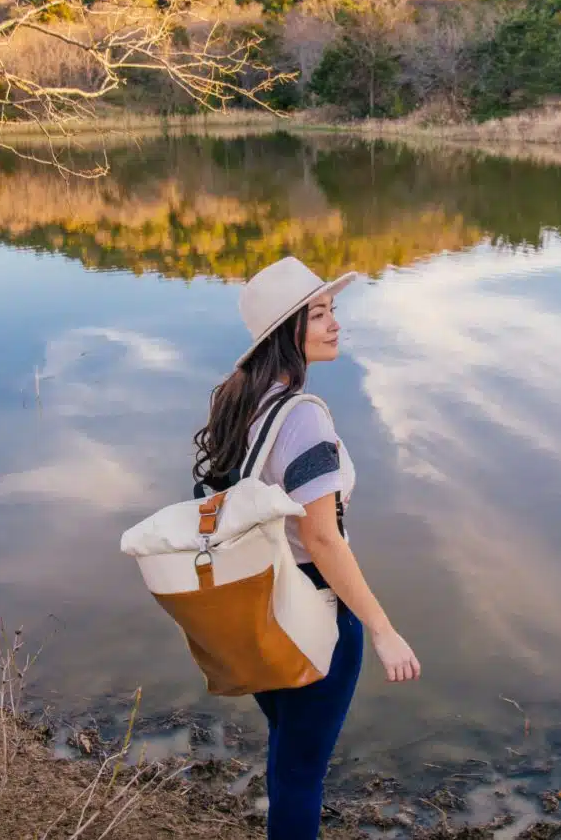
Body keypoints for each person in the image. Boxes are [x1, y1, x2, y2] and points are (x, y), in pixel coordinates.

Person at [193, 256, 421, 840]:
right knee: (300, 775)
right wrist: (382, 627)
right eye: (317, 314)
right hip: (310, 615)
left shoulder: (238, 399)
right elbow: (321, 538)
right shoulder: (304, 420)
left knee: (287, 750)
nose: (335, 324)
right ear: (285, 332)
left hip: (255, 609)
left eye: (331, 311)